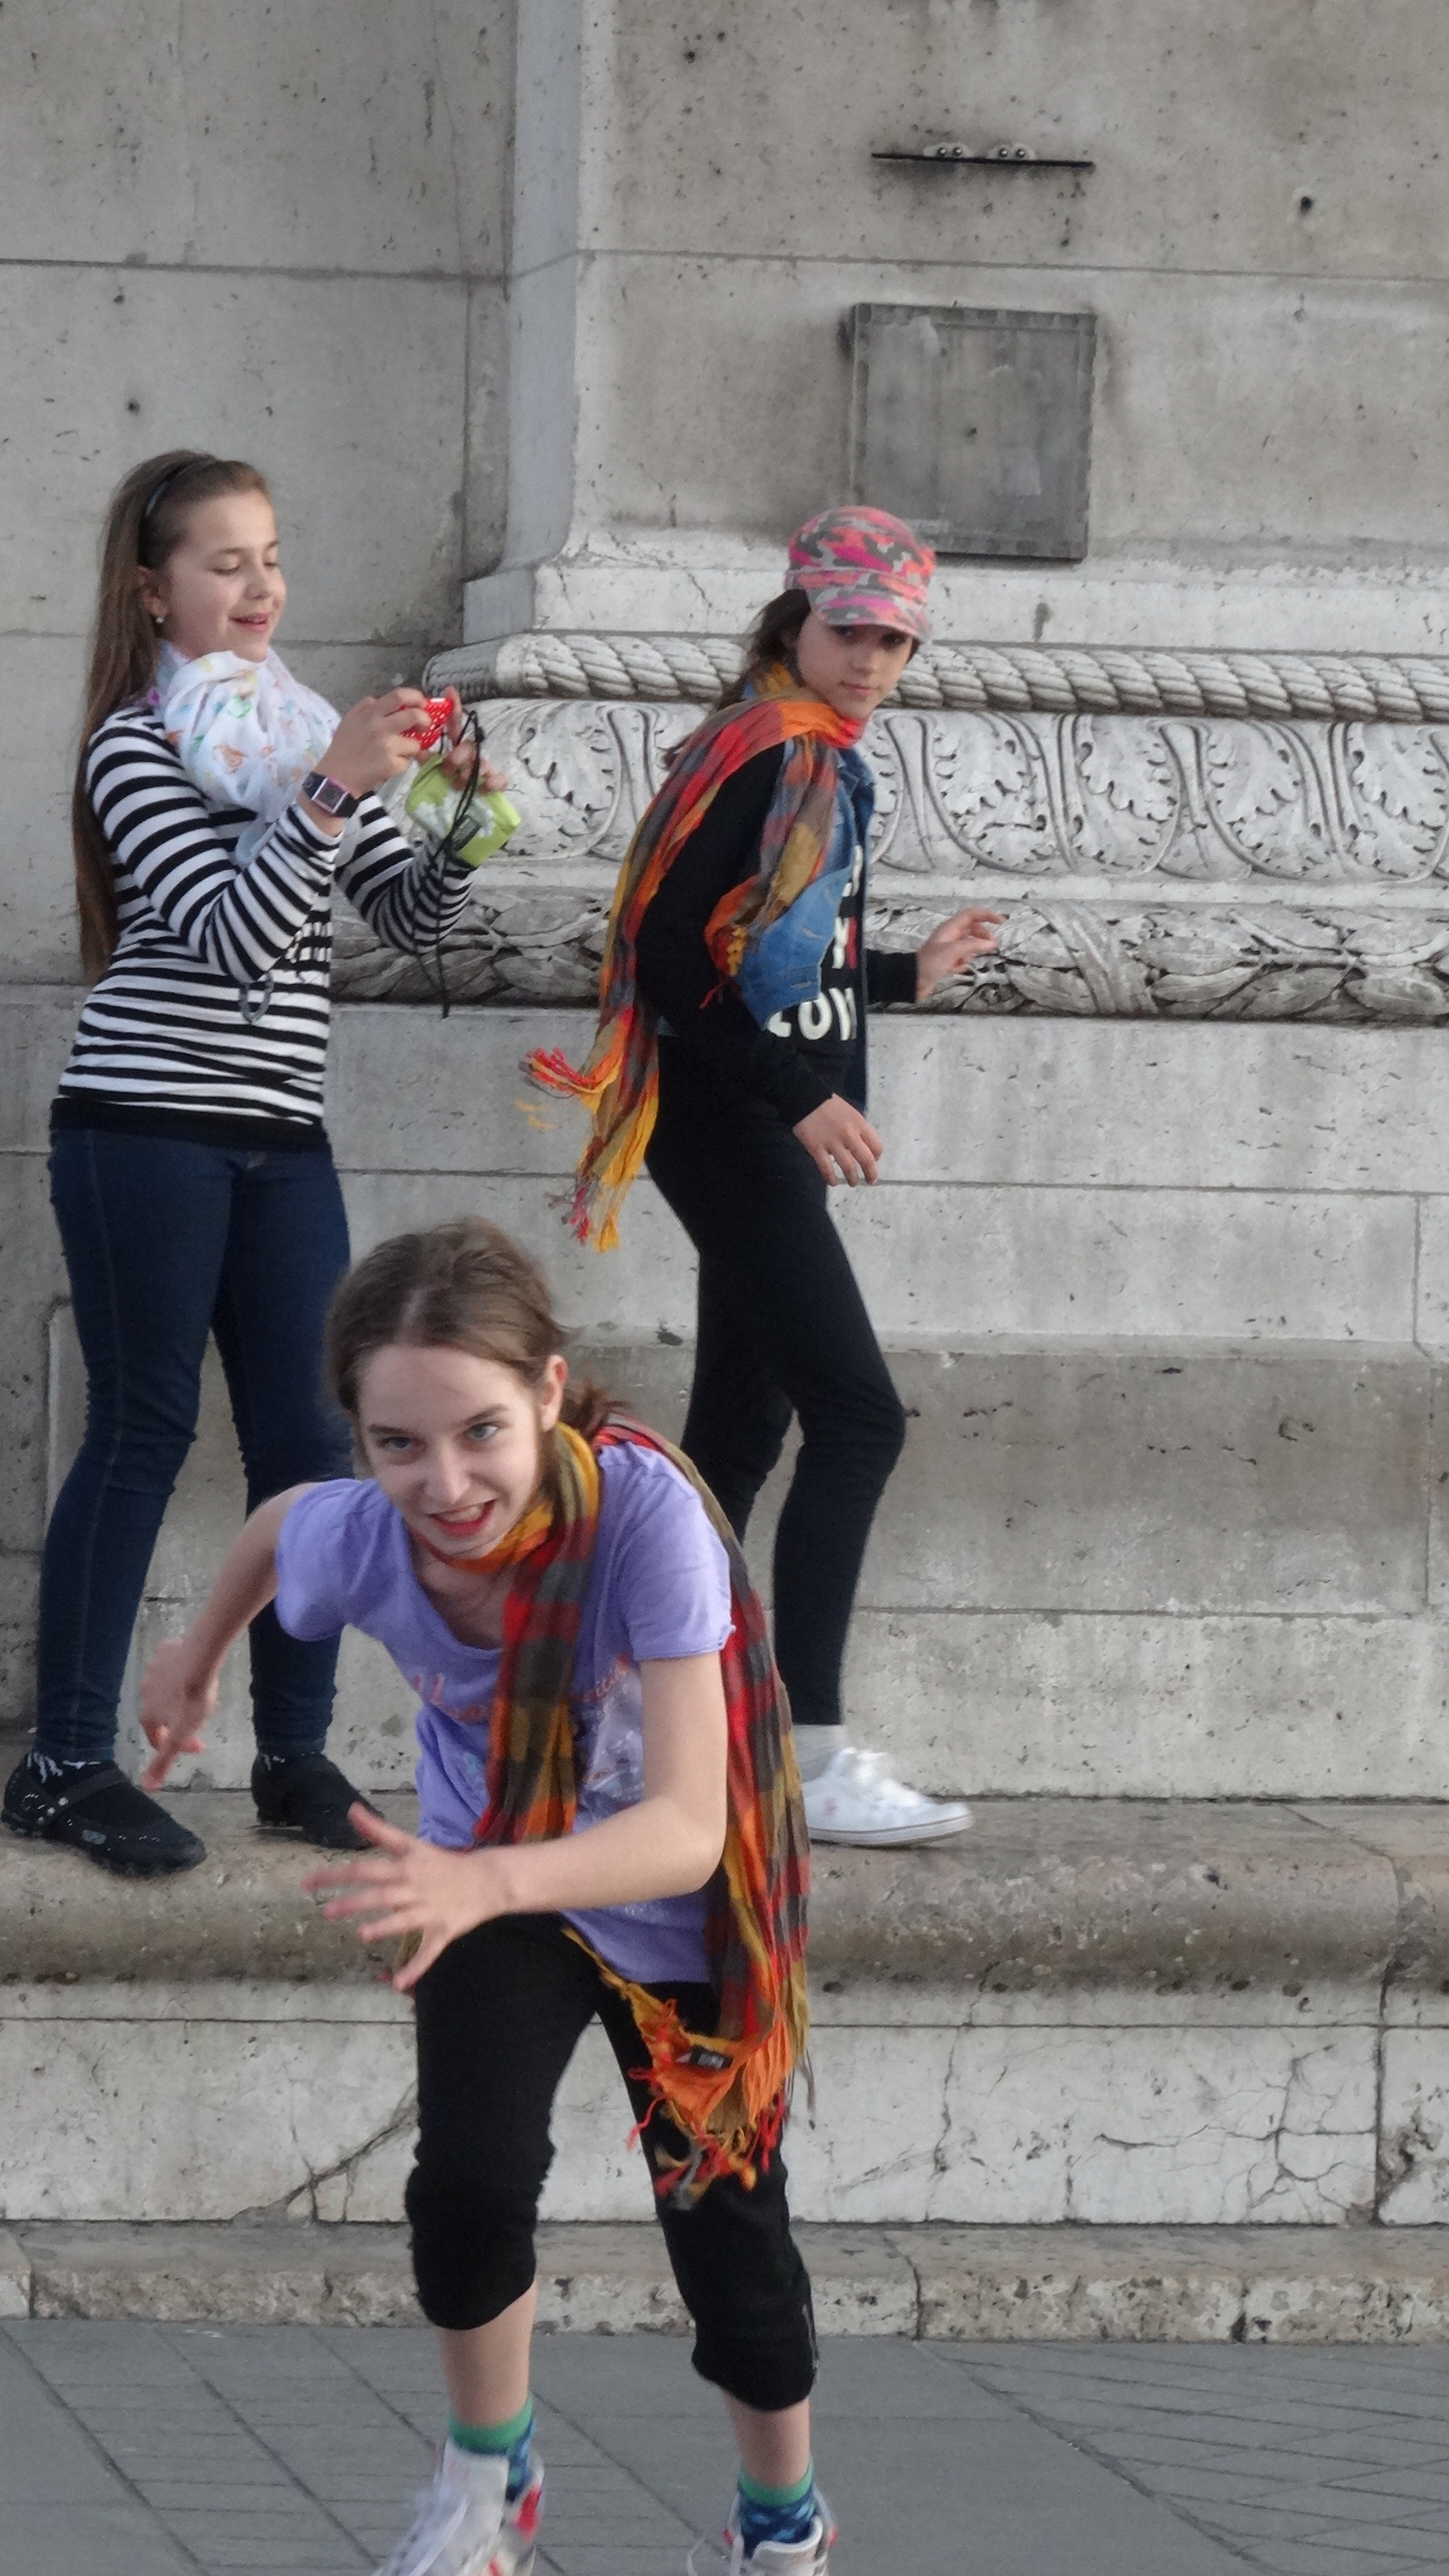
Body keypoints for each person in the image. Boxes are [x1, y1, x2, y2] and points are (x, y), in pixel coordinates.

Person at [138, 1218, 837, 2576]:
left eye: (480, 1433)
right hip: (493, 1879)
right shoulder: (365, 1535)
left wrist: (478, 1879)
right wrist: (196, 1651)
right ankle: (488, 2486)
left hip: (671, 1902)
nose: (446, 1483)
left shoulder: (646, 1521)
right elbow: (281, 1527)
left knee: (731, 2252)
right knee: (465, 2187)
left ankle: (781, 2527)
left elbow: (685, 1830)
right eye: (397, 1443)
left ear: (549, 1394)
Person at [1, 449, 498, 1877]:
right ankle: (61, 1764)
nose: (261, 585)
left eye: (271, 556)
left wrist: (462, 809)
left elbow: (402, 914)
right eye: (226, 562)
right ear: (153, 592)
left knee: (310, 1448)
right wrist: (333, 789)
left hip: (283, 1136)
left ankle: (293, 1760)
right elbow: (227, 940)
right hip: (141, 1127)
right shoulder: (134, 743)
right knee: (143, 1428)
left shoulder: (293, 730)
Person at [528, 505, 1002, 1848]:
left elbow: (781, 956)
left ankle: (625, 1725)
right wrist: (800, 1098)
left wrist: (905, 974)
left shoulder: (797, 751)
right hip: (734, 1119)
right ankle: (812, 1752)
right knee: (861, 1419)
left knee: (738, 1439)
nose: (872, 661)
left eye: (896, 642)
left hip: (749, 1117)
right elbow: (670, 951)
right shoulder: (772, 751)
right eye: (851, 631)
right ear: (796, 619)